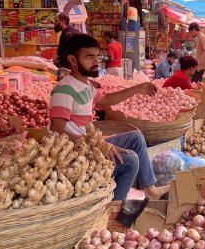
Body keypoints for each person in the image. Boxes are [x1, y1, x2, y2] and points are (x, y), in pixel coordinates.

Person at [49, 33, 169, 201]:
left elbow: (105, 100)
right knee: (130, 160)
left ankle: (150, 190)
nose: (96, 62)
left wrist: (137, 89)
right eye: (89, 57)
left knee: (135, 137)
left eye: (97, 56)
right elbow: (56, 132)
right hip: (74, 153)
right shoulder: (65, 90)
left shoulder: (86, 85)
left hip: (89, 144)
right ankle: (113, 207)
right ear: (73, 60)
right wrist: (99, 145)